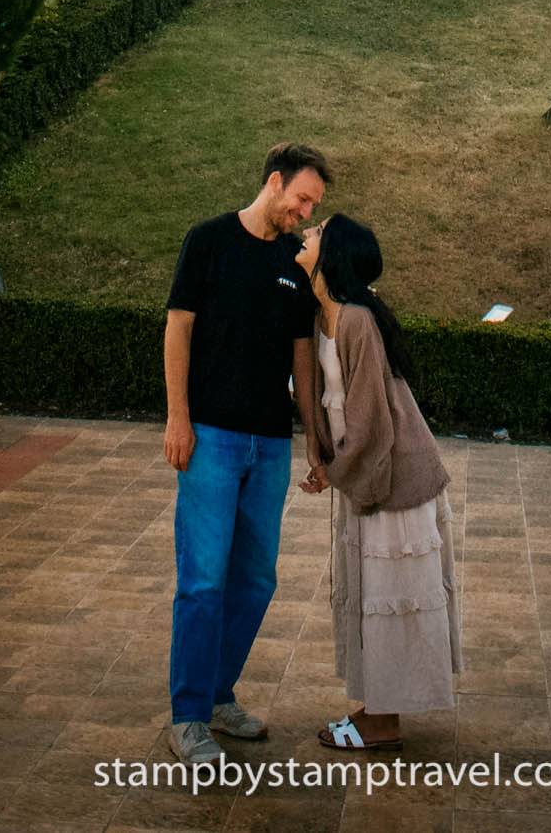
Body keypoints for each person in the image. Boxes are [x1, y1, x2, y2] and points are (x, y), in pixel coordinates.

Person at [164, 143, 331, 768]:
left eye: (313, 205)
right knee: (203, 580)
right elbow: (178, 327)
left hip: (270, 444)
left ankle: (217, 693)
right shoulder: (207, 241)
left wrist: (312, 435)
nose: (305, 213)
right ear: (275, 182)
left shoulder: (294, 261)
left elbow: (301, 354)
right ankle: (187, 716)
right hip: (210, 437)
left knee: (257, 579)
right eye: (303, 199)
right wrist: (178, 417)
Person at [297, 213, 460, 752]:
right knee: (373, 597)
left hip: (392, 479)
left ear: (332, 255)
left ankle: (384, 722)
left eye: (318, 231)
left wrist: (333, 470)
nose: (307, 232)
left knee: (388, 597)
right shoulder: (324, 315)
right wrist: (325, 459)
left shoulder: (356, 320)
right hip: (365, 473)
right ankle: (377, 708)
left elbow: (370, 421)